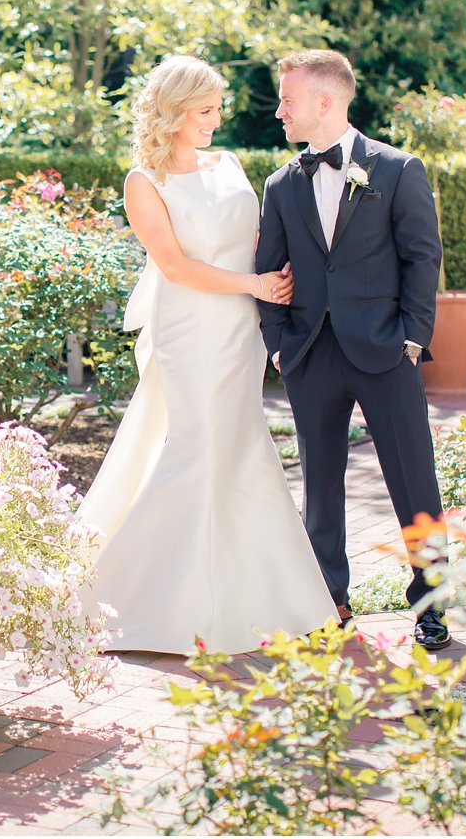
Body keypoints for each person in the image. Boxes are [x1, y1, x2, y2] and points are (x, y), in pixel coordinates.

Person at [77, 55, 337, 655]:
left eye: (217, 109)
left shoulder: (229, 164)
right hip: (190, 330)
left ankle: (271, 600)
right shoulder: (144, 182)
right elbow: (175, 266)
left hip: (238, 330)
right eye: (205, 111)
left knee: (243, 449)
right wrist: (257, 286)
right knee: (197, 453)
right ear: (172, 113)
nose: (216, 121)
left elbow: (254, 239)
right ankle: (123, 597)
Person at [254, 49, 451, 650]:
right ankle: (330, 600)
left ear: (325, 101)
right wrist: (280, 347)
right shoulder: (282, 184)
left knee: (413, 481)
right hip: (312, 354)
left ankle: (433, 603)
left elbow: (423, 258)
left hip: (387, 351)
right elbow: (268, 271)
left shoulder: (396, 170)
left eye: (288, 100)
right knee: (320, 486)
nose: (279, 111)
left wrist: (413, 341)